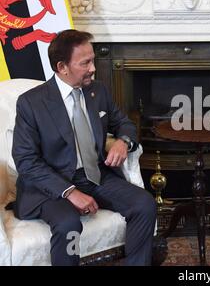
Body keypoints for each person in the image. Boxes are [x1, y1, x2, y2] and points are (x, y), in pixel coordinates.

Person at [11, 29, 157, 266]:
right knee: (68, 224)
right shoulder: (31, 103)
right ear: (62, 67)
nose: (93, 68)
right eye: (85, 62)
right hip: (50, 184)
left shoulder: (97, 91)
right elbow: (26, 161)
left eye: (93, 60)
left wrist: (122, 141)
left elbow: (124, 123)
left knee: (144, 204)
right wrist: (69, 192)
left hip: (94, 174)